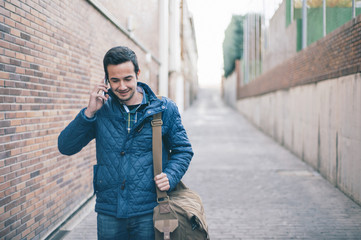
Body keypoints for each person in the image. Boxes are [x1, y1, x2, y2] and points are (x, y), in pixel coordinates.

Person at [58, 46, 193, 239]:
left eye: (127, 79)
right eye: (115, 80)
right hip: (109, 211)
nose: (122, 86)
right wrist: (88, 113)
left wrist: (170, 176)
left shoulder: (163, 108)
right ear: (106, 80)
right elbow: (66, 146)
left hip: (149, 209)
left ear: (137, 74)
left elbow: (183, 150)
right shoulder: (100, 109)